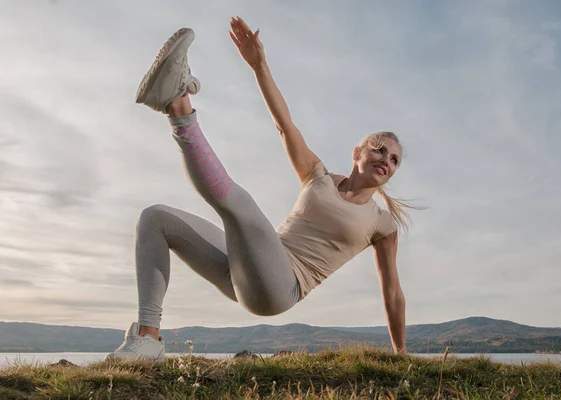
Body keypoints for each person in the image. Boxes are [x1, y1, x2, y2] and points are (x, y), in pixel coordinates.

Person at [106, 16, 413, 362]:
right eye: (379, 148)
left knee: (242, 206)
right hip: (250, 268)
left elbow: (393, 292)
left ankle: (178, 107)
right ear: (357, 153)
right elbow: (285, 125)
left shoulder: (382, 224)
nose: (386, 158)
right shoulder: (319, 176)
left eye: (395, 159)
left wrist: (400, 353)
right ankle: (148, 339)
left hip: (280, 288)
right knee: (156, 218)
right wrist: (259, 65)